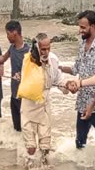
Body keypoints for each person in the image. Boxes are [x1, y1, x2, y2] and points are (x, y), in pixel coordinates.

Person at [20, 33, 69, 164]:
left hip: (44, 106)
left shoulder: (53, 59)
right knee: (31, 147)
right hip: (29, 107)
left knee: (45, 147)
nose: (46, 52)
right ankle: (28, 165)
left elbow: (59, 80)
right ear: (37, 48)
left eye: (48, 48)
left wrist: (68, 85)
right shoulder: (28, 60)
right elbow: (24, 79)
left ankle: (45, 166)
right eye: (43, 49)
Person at [60, 10, 95, 149]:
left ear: (93, 27)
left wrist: (91, 106)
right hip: (82, 102)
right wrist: (58, 67)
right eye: (79, 27)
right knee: (80, 144)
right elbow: (76, 69)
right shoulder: (81, 45)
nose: (80, 31)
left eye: (83, 27)